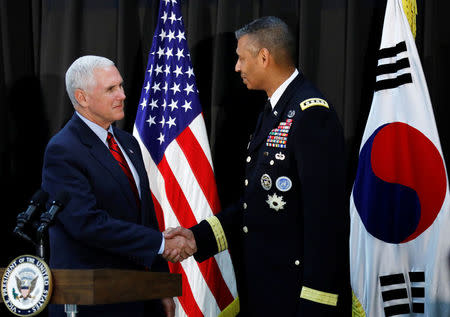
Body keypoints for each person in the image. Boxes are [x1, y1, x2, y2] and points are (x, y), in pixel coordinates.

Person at [164, 16, 349, 316]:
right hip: (266, 292)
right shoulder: (272, 112)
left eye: (241, 58)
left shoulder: (311, 114)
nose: (236, 67)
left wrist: (318, 301)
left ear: (264, 57)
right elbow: (257, 204)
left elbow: (326, 218)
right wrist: (197, 238)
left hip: (297, 299)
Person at [41, 55, 195, 317]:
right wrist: (160, 243)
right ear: (82, 97)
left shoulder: (127, 143)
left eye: (121, 86)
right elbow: (86, 224)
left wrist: (160, 285)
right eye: (111, 89)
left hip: (137, 296)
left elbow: (144, 217)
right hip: (92, 303)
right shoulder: (63, 149)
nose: (122, 95)